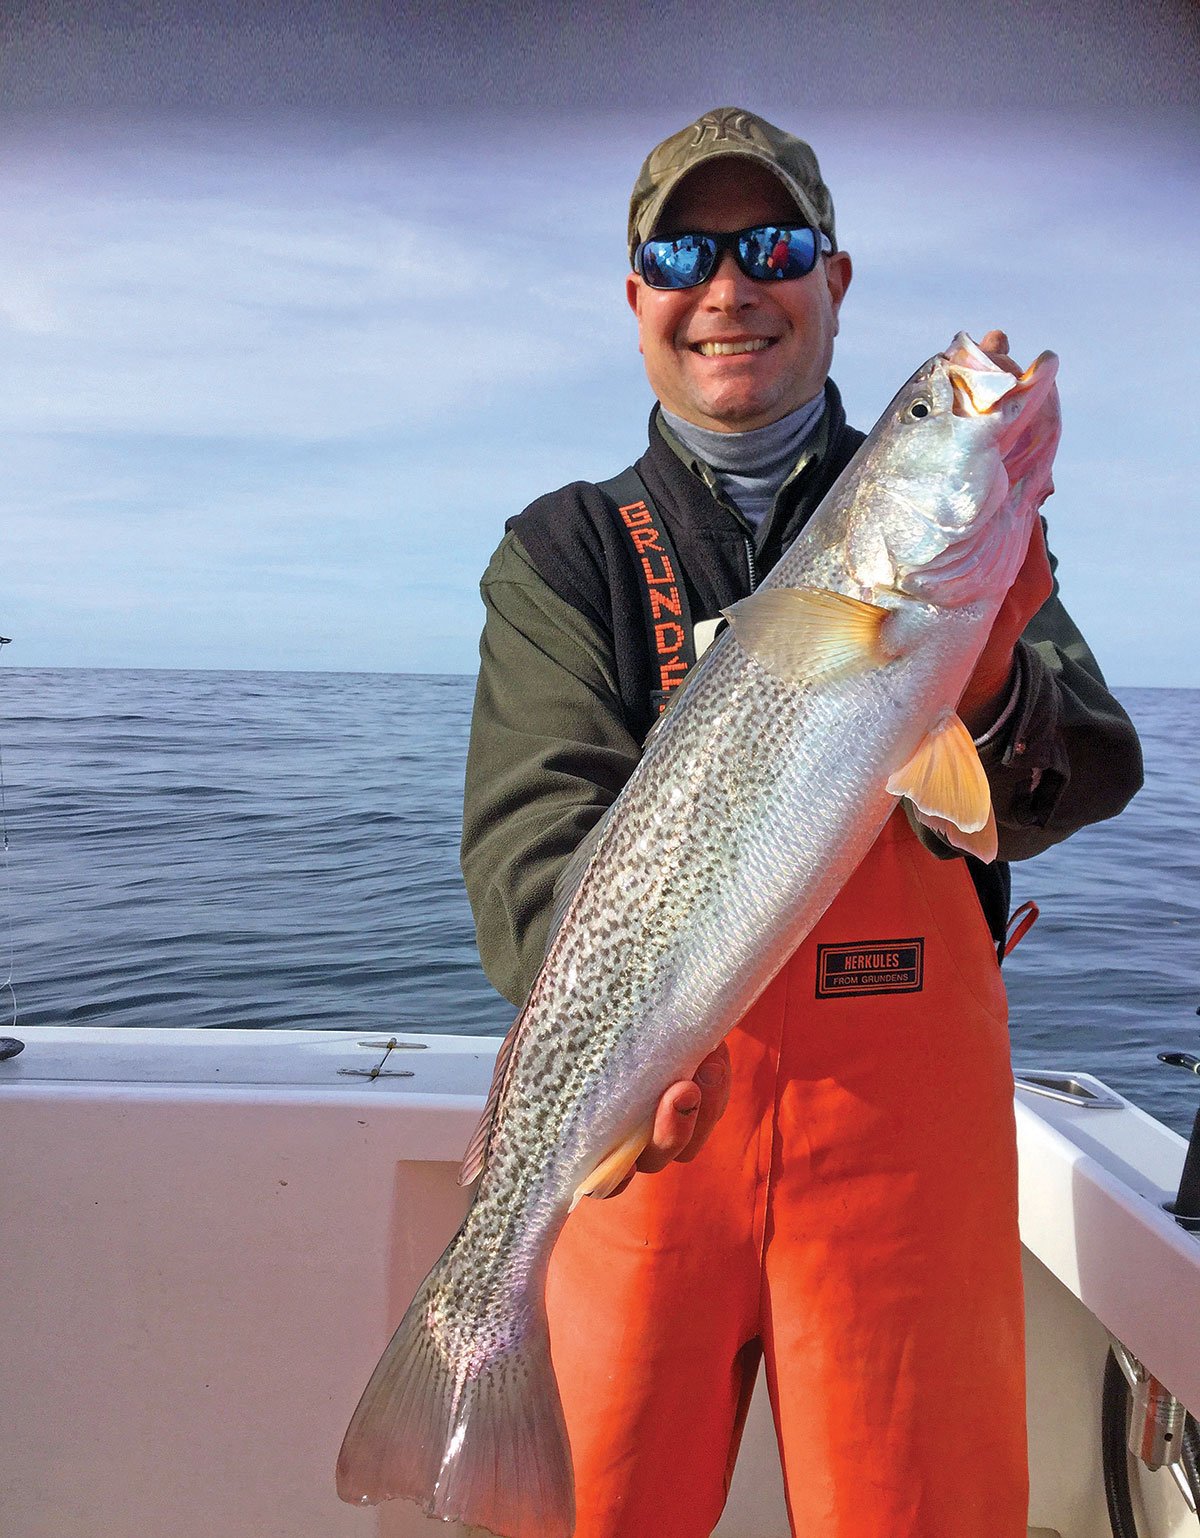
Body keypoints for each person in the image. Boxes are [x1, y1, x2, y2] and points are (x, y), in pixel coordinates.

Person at [460, 107, 1142, 1538]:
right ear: (638, 297)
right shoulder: (562, 556)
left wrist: (998, 672)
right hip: (655, 1133)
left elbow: (1089, 771)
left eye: (772, 246)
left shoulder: (974, 564)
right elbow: (532, 856)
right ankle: (470, 1330)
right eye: (683, 251)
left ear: (833, 284)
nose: (729, 286)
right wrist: (609, 1066)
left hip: (904, 1150)